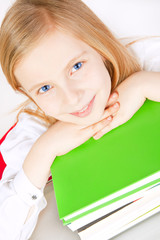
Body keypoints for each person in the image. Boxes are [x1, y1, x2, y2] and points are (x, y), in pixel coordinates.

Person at [0, 0, 160, 239]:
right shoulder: (32, 129)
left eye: (76, 66)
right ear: (27, 94)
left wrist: (144, 83)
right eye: (45, 88)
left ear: (100, 45)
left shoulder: (146, 57)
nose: (72, 98)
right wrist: (44, 149)